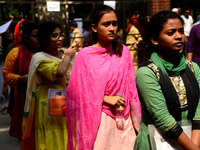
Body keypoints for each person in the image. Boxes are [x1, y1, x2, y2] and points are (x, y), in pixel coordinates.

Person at [65, 5, 141, 150]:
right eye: (106, 24)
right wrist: (106, 98)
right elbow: (76, 92)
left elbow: (131, 86)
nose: (112, 28)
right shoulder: (85, 56)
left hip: (124, 118)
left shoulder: (123, 51)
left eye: (114, 23)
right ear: (94, 27)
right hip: (98, 118)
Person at [134, 11, 200, 150]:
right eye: (171, 33)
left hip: (193, 139)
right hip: (157, 142)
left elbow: (199, 110)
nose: (179, 37)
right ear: (154, 39)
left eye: (181, 31)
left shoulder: (193, 68)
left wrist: (194, 145)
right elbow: (163, 120)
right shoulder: (146, 73)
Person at [22, 21, 77, 150]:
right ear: (45, 40)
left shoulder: (64, 53)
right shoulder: (39, 58)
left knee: (67, 135)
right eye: (55, 35)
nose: (61, 38)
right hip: (47, 104)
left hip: (66, 101)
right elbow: (60, 72)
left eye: (61, 34)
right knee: (51, 139)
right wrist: (68, 55)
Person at [3, 22, 40, 140]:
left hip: (43, 98)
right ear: (25, 37)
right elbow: (6, 74)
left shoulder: (46, 52)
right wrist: (20, 78)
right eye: (34, 36)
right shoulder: (15, 53)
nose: (38, 39)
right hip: (24, 98)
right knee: (27, 134)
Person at [5, 19, 28, 116]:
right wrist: (5, 85)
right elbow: (7, 71)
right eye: (23, 30)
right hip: (17, 85)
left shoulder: (36, 47)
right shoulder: (13, 48)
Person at [0, 28, 14, 115]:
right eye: (6, 34)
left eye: (10, 32)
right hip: (3, 72)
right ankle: (5, 106)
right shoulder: (4, 47)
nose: (9, 35)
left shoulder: (14, 45)